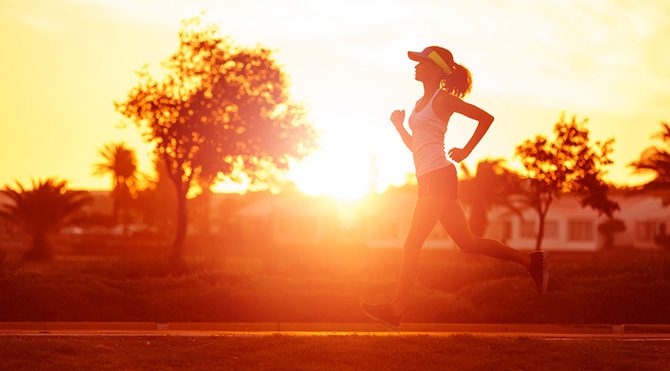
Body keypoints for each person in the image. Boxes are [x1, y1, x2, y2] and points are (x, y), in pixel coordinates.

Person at [360, 46, 548, 329]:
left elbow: (485, 118)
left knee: (412, 244)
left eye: (421, 62)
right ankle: (530, 261)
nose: (416, 66)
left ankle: (396, 308)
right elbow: (416, 146)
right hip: (430, 178)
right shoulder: (420, 103)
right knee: (468, 243)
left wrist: (467, 150)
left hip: (439, 177)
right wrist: (399, 127)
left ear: (436, 69)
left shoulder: (442, 100)